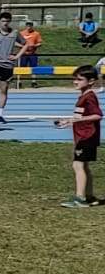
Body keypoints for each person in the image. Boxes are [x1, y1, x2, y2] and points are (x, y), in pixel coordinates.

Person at [49, 65, 99, 207]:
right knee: (84, 166)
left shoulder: (89, 97)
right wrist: (68, 121)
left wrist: (76, 120)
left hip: (86, 137)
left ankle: (80, 198)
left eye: (79, 79)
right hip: (84, 136)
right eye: (74, 79)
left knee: (77, 165)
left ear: (91, 81)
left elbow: (97, 115)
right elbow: (80, 116)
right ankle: (89, 196)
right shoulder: (83, 96)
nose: (75, 82)